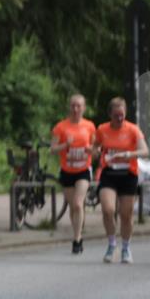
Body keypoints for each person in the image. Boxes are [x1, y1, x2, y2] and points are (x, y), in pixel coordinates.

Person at [93, 97, 148, 264]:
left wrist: (129, 154)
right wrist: (96, 151)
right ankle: (111, 244)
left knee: (126, 214)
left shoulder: (133, 130)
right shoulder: (102, 129)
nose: (119, 118)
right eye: (116, 115)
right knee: (108, 209)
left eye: (122, 115)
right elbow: (95, 148)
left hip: (128, 174)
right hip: (109, 173)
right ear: (110, 114)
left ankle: (125, 247)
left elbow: (145, 151)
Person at [50, 94, 97, 254]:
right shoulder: (61, 127)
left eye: (79, 106)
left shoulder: (89, 126)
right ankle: (78, 232)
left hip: (83, 170)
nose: (76, 109)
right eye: (73, 105)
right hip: (67, 171)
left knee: (78, 203)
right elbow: (53, 149)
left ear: (84, 108)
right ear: (69, 107)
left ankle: (77, 238)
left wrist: (92, 150)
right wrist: (65, 145)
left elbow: (96, 150)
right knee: (73, 207)